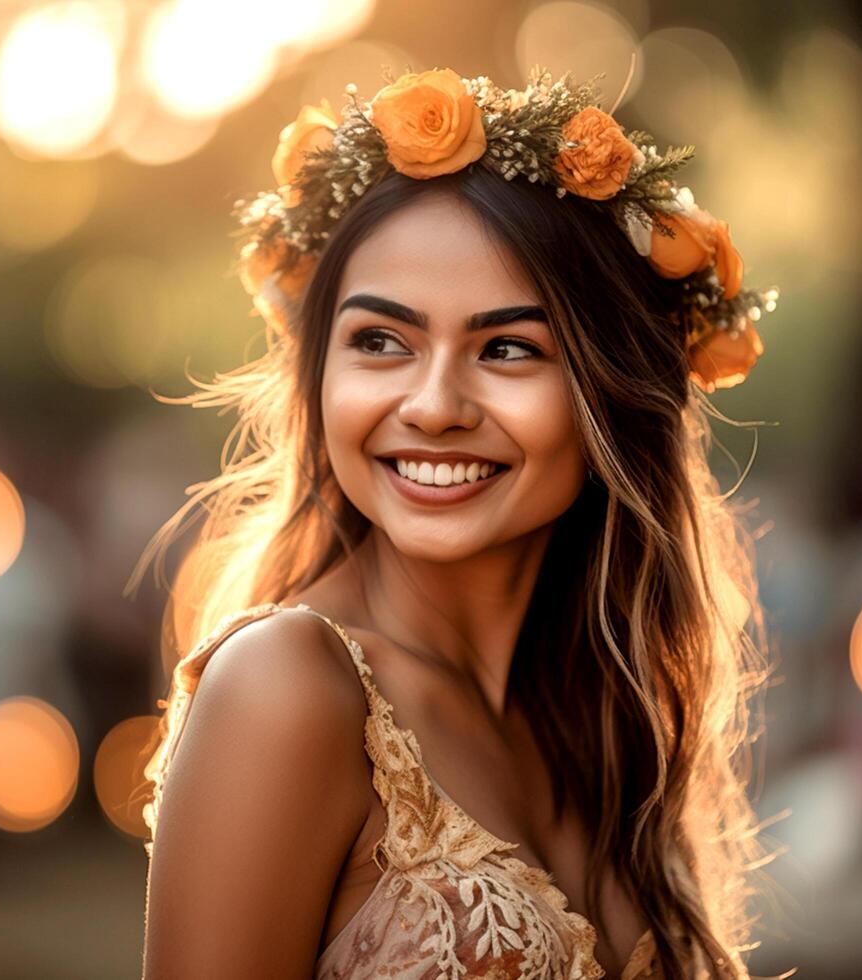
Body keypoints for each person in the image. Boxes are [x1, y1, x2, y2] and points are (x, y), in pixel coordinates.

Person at [130, 62, 790, 979]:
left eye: (509, 347)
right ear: (320, 372)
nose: (434, 404)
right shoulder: (287, 690)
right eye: (381, 341)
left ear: (614, 393)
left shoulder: (604, 719)